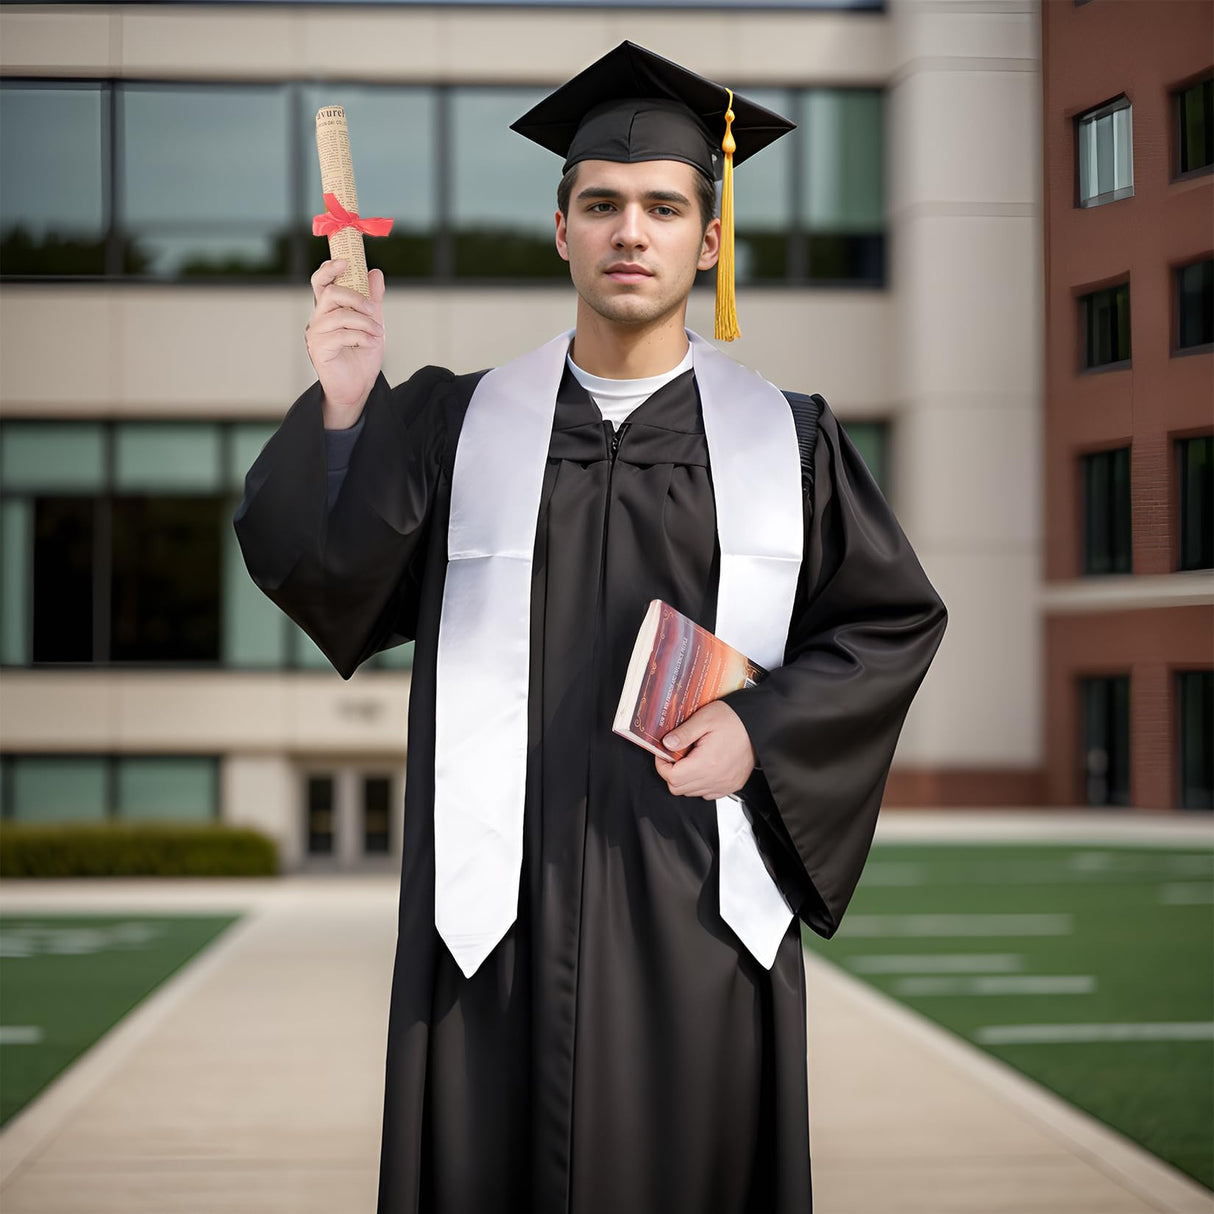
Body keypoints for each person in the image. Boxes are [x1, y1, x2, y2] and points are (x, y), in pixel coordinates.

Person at [234, 40, 946, 1214]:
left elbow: (890, 622)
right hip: (492, 928)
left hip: (694, 913)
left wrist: (761, 729)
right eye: (602, 204)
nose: (631, 231)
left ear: (707, 241)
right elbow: (324, 570)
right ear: (559, 228)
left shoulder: (787, 441)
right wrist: (349, 404)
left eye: (663, 207)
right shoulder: (455, 423)